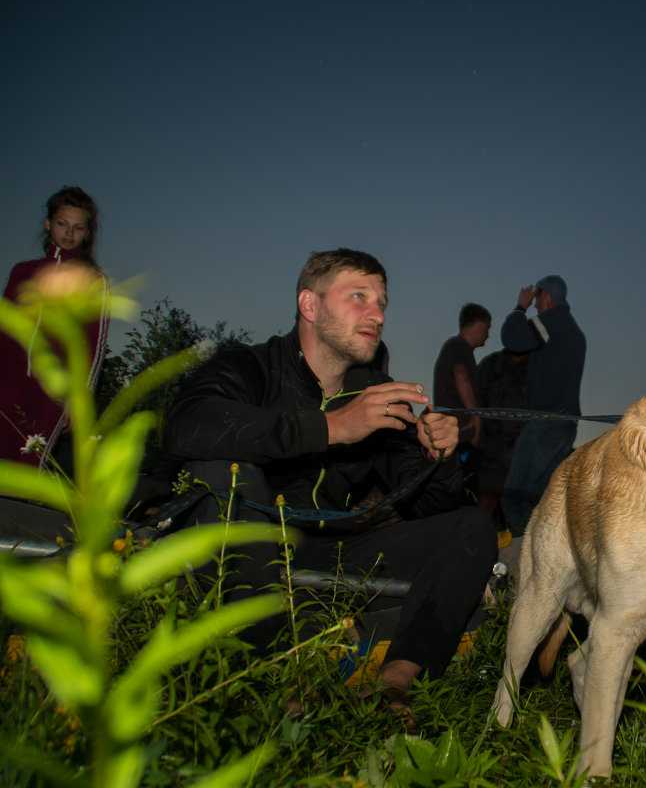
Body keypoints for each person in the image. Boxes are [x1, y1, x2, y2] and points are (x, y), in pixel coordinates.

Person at [163, 248, 497, 709]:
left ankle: (396, 682)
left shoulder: (375, 393)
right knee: (227, 473)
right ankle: (270, 683)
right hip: (249, 543)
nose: (377, 313)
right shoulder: (252, 366)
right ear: (310, 305)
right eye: (359, 296)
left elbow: (427, 506)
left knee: (471, 526)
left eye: (382, 302)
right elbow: (187, 426)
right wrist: (333, 427)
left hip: (329, 548)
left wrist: (439, 458)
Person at [1, 186, 109, 469]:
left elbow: (94, 345)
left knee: (27, 464)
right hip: (7, 380)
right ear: (49, 223)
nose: (69, 233)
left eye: (78, 227)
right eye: (62, 223)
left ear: (87, 233)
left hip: (51, 392)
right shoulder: (22, 271)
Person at [499, 275, 585, 535]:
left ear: (545, 295)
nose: (535, 304)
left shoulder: (553, 321)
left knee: (517, 498)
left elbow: (513, 339)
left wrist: (519, 307)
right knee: (544, 503)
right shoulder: (575, 332)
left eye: (536, 298)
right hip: (566, 425)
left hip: (545, 424)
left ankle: (520, 563)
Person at [433, 302, 491, 492]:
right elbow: (461, 376)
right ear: (480, 325)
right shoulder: (458, 346)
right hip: (463, 434)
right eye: (488, 328)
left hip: (459, 434)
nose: (488, 335)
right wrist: (475, 417)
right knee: (463, 487)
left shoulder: (456, 348)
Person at [476, 347, 528, 520]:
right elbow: (478, 397)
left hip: (522, 445)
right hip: (494, 443)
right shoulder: (492, 364)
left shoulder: (535, 365)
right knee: (488, 497)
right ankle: (474, 538)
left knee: (520, 499)